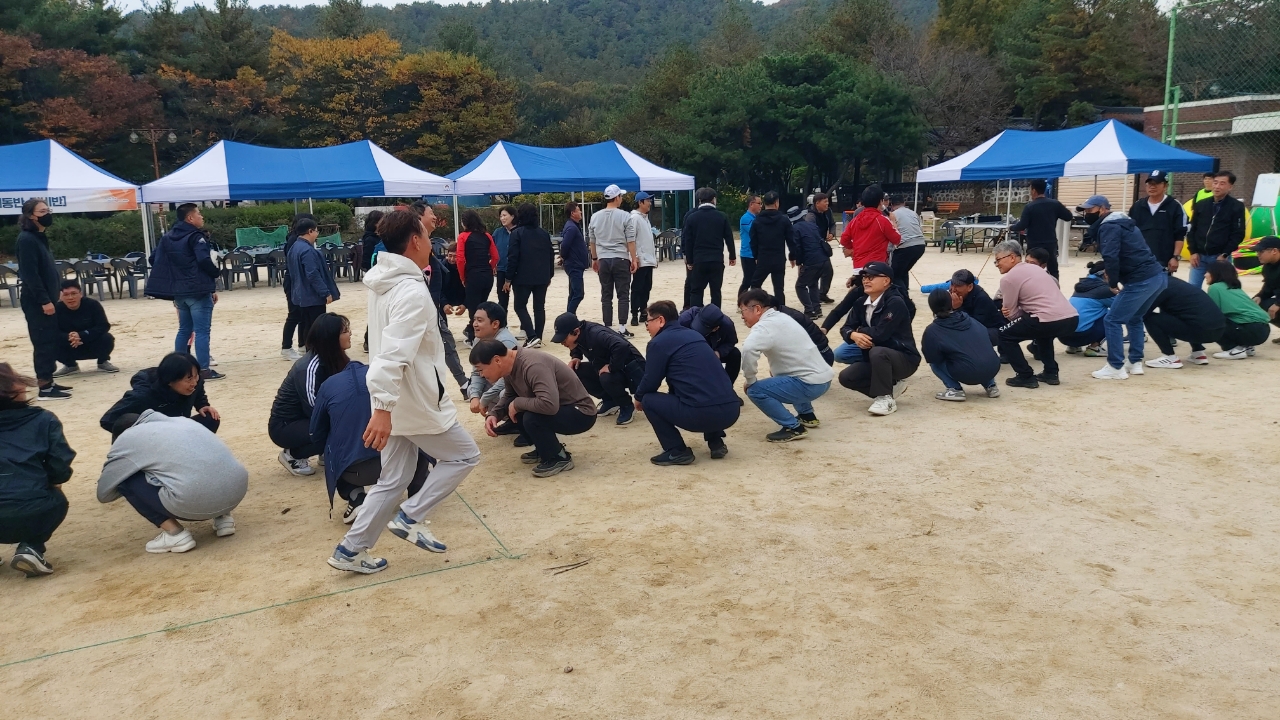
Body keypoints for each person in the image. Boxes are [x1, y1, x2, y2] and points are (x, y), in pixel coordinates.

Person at [329, 209, 481, 574]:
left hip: (398, 397)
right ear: (414, 241)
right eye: (426, 235)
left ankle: (351, 549)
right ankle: (412, 516)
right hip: (411, 398)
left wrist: (384, 404)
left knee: (393, 478)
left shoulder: (385, 281)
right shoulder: (410, 289)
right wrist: (382, 407)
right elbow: (394, 352)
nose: (431, 242)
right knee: (464, 455)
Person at [98, 410, 246, 554]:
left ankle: (175, 534)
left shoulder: (128, 438)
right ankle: (224, 518)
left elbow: (104, 494)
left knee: (125, 479)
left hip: (193, 501)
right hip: (237, 491)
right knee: (201, 461)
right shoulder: (182, 421)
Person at [312, 357, 434, 525]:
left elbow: (316, 431)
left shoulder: (329, 385)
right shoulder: (389, 378)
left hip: (355, 472)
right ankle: (417, 495)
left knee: (333, 440)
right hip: (402, 464)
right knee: (413, 434)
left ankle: (356, 497)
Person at [635, 300, 740, 465]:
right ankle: (716, 441)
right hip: (732, 410)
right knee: (700, 387)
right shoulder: (695, 335)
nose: (646, 326)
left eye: (648, 321)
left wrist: (639, 397)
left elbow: (651, 381)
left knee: (648, 399)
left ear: (661, 320)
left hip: (702, 416)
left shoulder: (658, 343)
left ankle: (676, 450)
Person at [473, 340, 596, 478]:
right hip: (560, 408)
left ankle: (559, 457)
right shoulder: (510, 365)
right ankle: (544, 448)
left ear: (497, 360)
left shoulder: (533, 365)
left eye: (480, 369)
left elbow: (549, 404)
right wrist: (494, 414)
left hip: (581, 412)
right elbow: (510, 395)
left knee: (531, 416)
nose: (481, 375)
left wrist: (518, 403)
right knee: (515, 408)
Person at [1079, 195, 1167, 380]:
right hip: (1157, 276)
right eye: (1085, 210)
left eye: (1090, 209)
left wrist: (1112, 283)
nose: (1087, 213)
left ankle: (1115, 366)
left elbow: (1111, 256)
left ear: (1102, 209)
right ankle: (1134, 362)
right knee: (1135, 317)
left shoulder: (1109, 226)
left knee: (1112, 320)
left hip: (1141, 279)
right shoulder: (1124, 222)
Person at [0, 363, 74, 576]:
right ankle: (32, 547)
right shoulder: (43, 419)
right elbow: (59, 463)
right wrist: (52, 481)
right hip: (32, 510)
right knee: (57, 499)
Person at [738, 289, 833, 441]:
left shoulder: (763, 326)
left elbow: (748, 350)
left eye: (742, 310)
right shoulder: (782, 316)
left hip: (810, 385)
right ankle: (807, 415)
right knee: (778, 372)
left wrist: (750, 380)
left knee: (755, 391)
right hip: (823, 378)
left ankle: (793, 427)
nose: (742, 316)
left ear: (757, 309)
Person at [148, 203, 224, 380]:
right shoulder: (196, 237)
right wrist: (216, 273)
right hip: (197, 290)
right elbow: (204, 260)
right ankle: (204, 369)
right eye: (199, 214)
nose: (201, 217)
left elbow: (154, 258)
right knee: (202, 331)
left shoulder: (167, 237)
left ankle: (178, 369)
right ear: (190, 218)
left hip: (178, 291)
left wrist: (175, 273)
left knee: (184, 330)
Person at [269, 313, 351, 476]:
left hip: (307, 419)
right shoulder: (309, 367)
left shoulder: (337, 359)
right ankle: (293, 454)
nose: (350, 334)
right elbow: (314, 408)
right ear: (330, 337)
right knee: (340, 425)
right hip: (285, 426)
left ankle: (325, 452)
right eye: (345, 331)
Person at [836, 262, 920, 416]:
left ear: (886, 281)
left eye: (871, 277)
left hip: (904, 359)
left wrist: (859, 330)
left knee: (878, 351)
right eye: (864, 277)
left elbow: (881, 334)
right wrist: (852, 335)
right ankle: (889, 389)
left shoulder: (895, 302)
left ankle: (885, 399)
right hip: (876, 358)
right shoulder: (861, 302)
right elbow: (845, 328)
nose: (866, 280)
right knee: (847, 377)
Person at [992, 240, 1079, 388]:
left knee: (1004, 335)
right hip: (1071, 318)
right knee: (1042, 333)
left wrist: (1015, 311)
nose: (997, 264)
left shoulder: (1008, 278)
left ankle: (1025, 375)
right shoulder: (1038, 270)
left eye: (998, 260)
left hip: (1045, 319)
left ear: (1012, 257)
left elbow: (1011, 315)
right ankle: (1051, 372)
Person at [406, 203, 469, 389]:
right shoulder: (413, 244)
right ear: (419, 216)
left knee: (445, 344)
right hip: (423, 309)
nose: (434, 216)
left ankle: (462, 383)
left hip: (433, 309)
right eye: (431, 213)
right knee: (438, 346)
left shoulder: (427, 245)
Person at [15, 199, 73, 400]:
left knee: (50, 339)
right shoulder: (27, 240)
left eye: (48, 209)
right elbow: (30, 274)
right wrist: (44, 300)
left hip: (48, 297)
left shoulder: (39, 237)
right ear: (31, 215)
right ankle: (45, 387)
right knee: (42, 342)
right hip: (37, 301)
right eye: (42, 211)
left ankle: (49, 380)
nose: (47, 213)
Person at [551, 312, 646, 426]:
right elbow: (577, 345)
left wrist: (611, 367)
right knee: (575, 371)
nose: (562, 342)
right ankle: (610, 400)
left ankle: (626, 405)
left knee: (606, 377)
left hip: (632, 372)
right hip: (611, 368)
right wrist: (576, 357)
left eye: (564, 339)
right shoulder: (580, 334)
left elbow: (621, 346)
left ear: (576, 331)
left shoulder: (596, 334)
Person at [100, 352, 220, 433]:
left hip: (177, 430)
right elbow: (107, 420)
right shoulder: (144, 395)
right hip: (152, 437)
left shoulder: (195, 383)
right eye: (188, 379)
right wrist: (145, 432)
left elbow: (198, 391)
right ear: (169, 381)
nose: (194, 382)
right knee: (128, 419)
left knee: (210, 418)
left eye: (196, 376)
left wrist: (203, 405)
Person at [921, 288, 1000, 401]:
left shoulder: (932, 330)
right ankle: (991, 386)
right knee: (979, 352)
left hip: (967, 373)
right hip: (994, 367)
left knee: (935, 364)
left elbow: (932, 357)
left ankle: (955, 389)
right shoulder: (968, 318)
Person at [1142, 275, 1225, 368]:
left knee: (1150, 319)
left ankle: (1170, 357)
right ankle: (1198, 353)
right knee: (1187, 315)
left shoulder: (1160, 286)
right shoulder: (1176, 283)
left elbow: (1143, 312)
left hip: (1201, 331)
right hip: (1219, 330)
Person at [589, 184, 639, 335]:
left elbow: (592, 240)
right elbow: (630, 240)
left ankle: (608, 327)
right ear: (617, 197)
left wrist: (594, 258)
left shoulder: (595, 216)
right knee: (623, 294)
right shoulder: (625, 216)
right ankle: (622, 327)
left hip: (603, 259)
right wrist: (634, 259)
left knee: (606, 295)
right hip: (620, 258)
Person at [505, 202, 555, 348]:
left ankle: (532, 336)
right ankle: (537, 336)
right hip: (542, 276)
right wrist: (550, 274)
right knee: (539, 307)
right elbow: (550, 255)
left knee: (520, 306)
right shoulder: (544, 233)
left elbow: (512, 257)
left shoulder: (517, 233)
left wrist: (508, 278)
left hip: (522, 277)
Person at [286, 218, 340, 351]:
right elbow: (313, 274)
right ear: (310, 231)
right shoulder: (307, 250)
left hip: (300, 295)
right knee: (315, 326)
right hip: (312, 296)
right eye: (316, 231)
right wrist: (325, 292)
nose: (317, 234)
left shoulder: (294, 247)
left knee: (306, 325)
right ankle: (315, 351)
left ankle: (308, 349)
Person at [1188, 170, 1246, 288]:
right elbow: (1192, 229)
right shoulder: (1201, 204)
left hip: (1220, 257)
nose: (1217, 186)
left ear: (1230, 187)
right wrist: (1193, 251)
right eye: (1215, 182)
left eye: (1222, 183)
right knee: (1192, 289)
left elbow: (1238, 233)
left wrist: (1224, 254)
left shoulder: (1236, 207)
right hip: (1199, 257)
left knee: (1220, 289)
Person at [681, 187, 737, 308]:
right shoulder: (722, 216)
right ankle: (715, 317)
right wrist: (732, 255)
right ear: (714, 199)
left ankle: (695, 315)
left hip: (699, 260)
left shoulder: (692, 217)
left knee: (696, 290)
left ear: (699, 200)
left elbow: (689, 241)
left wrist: (689, 260)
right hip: (716, 259)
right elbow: (729, 238)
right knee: (716, 291)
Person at [50, 280, 118, 377]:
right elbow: (53, 331)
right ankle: (70, 365)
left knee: (107, 338)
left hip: (92, 342)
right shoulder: (56, 309)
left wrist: (82, 335)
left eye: (74, 293)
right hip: (70, 345)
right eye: (66, 294)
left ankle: (102, 362)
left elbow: (104, 326)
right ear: (61, 296)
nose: (70, 298)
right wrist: (69, 336)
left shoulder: (92, 304)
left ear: (80, 294)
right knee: (49, 341)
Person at [1205, 261, 1271, 359]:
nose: (1205, 274)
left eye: (1207, 271)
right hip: (1264, 329)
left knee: (1211, 322)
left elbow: (1214, 314)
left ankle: (1233, 349)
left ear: (1215, 273)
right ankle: (1246, 346)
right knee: (1233, 318)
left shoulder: (1215, 288)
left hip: (1251, 330)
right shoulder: (1234, 287)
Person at [1010, 179, 1073, 279]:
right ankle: (1054, 290)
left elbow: (1022, 225)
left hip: (1034, 243)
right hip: (1050, 242)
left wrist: (1011, 227)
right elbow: (1068, 217)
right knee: (1053, 269)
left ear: (1033, 190)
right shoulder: (1055, 204)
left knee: (1032, 268)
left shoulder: (1029, 207)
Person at [466, 302, 520, 417]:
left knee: (504, 393)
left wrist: (485, 398)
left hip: (514, 387)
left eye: (480, 321)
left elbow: (509, 378)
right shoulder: (478, 340)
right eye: (474, 320)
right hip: (496, 384)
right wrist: (475, 397)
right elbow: (477, 372)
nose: (474, 324)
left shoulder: (506, 342)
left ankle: (514, 422)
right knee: (472, 389)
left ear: (495, 324)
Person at [1129, 171, 1187, 274]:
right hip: (1139, 261)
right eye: (1149, 184)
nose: (1152, 187)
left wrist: (1175, 257)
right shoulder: (1138, 206)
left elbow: (1180, 235)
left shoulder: (1175, 206)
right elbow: (1129, 232)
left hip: (1163, 261)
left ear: (1165, 186)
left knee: (1162, 289)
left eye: (1156, 183)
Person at [456, 210, 499, 344]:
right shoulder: (487, 236)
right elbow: (496, 257)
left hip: (473, 275)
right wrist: (489, 268)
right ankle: (473, 331)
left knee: (474, 309)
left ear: (465, 222)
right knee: (481, 305)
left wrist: (463, 276)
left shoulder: (463, 236)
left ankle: (473, 337)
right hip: (487, 276)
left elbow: (460, 259)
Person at [748, 191, 798, 305]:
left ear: (764, 203)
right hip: (779, 258)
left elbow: (753, 241)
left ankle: (757, 305)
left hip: (763, 258)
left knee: (755, 285)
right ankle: (780, 309)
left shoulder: (757, 220)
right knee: (779, 288)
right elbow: (791, 240)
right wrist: (792, 256)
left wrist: (756, 255)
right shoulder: (784, 220)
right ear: (777, 203)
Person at [840, 186, 899, 273]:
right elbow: (897, 239)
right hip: (877, 266)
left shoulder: (855, 220)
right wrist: (893, 221)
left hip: (858, 267)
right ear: (881, 201)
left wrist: (854, 247)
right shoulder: (882, 220)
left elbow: (844, 240)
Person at [1059, 261, 1114, 356]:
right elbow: (1122, 307)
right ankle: (1094, 347)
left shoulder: (1081, 286)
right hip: (1081, 337)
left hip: (1063, 336)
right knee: (1112, 315)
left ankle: (1073, 347)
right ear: (1106, 274)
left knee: (1086, 311)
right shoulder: (1105, 290)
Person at [677, 303, 741, 383]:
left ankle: (727, 387)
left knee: (735, 354)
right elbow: (673, 341)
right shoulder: (684, 320)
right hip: (689, 351)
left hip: (712, 350)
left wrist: (719, 352)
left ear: (716, 328)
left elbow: (731, 341)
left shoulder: (727, 325)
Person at [282, 213, 316, 360]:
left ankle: (303, 344)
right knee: (294, 315)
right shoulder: (294, 241)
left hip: (298, 281)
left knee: (303, 315)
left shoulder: (298, 240)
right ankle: (286, 347)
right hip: (294, 281)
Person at [790, 207, 830, 318]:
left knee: (800, 286)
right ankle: (817, 309)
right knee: (812, 283)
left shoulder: (795, 229)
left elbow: (798, 248)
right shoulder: (812, 225)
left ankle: (809, 310)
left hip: (811, 261)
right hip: (824, 259)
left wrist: (799, 263)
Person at [887, 195, 926, 305]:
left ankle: (904, 298)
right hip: (920, 245)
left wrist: (889, 250)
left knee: (895, 274)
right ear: (904, 203)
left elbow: (892, 233)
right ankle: (905, 293)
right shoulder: (913, 213)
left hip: (905, 245)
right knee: (903, 270)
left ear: (891, 205)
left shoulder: (893, 215)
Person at [948, 270, 1003, 344]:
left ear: (970, 287)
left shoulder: (981, 298)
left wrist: (957, 308)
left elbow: (974, 325)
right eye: (952, 284)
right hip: (975, 326)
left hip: (992, 330)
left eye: (958, 286)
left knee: (965, 337)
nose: (953, 289)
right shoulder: (953, 293)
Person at [629, 192, 659, 327]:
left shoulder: (645, 218)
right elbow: (631, 239)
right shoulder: (634, 218)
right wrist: (634, 257)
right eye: (648, 201)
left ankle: (643, 311)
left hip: (648, 260)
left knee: (647, 287)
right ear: (640, 202)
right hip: (640, 259)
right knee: (637, 287)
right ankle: (634, 313)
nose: (650, 203)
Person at [808, 192, 838, 303]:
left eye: (827, 201)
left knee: (828, 271)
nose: (827, 204)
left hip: (822, 245)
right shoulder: (810, 216)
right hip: (813, 246)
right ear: (817, 203)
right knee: (814, 273)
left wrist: (832, 233)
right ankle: (813, 297)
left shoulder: (828, 212)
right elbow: (810, 232)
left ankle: (822, 293)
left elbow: (833, 224)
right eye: (825, 202)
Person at [560, 201, 589, 315]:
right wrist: (563, 256)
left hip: (575, 263)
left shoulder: (573, 226)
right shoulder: (572, 228)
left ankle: (570, 316)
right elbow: (565, 245)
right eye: (578, 210)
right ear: (573, 213)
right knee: (578, 293)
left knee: (573, 293)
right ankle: (569, 316)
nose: (580, 212)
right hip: (574, 264)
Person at [1249, 236, 1280, 340]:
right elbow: (1269, 287)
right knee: (1259, 304)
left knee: (1273, 307)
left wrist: (1278, 303)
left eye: (1261, 251)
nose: (1258, 255)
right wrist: (1259, 296)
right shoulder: (1268, 267)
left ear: (1274, 251)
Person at [738, 194, 761, 299]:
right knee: (747, 280)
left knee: (756, 280)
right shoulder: (745, 218)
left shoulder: (757, 218)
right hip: (747, 254)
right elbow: (756, 232)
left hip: (756, 253)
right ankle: (741, 301)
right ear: (751, 204)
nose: (761, 206)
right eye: (759, 203)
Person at [493, 206, 515, 311]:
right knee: (502, 301)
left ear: (513, 216)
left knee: (520, 302)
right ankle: (502, 325)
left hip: (517, 270)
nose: (502, 218)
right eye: (501, 216)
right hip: (501, 269)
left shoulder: (519, 231)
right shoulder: (497, 232)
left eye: (505, 215)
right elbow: (491, 249)